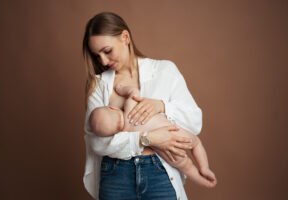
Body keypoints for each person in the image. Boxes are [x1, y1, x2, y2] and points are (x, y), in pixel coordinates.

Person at [83, 12, 209, 200]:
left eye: (107, 51)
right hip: (116, 177)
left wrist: (161, 106)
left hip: (159, 173)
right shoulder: (99, 84)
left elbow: (194, 121)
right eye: (97, 55)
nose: (102, 61)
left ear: (125, 37)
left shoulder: (164, 70)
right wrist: (147, 138)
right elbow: (96, 143)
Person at [90, 84, 217, 188]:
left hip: (166, 152)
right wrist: (121, 88)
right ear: (113, 108)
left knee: (186, 167)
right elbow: (133, 90)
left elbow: (113, 145)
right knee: (196, 143)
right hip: (175, 132)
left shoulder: (124, 134)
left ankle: (205, 181)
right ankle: (205, 168)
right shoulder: (130, 107)